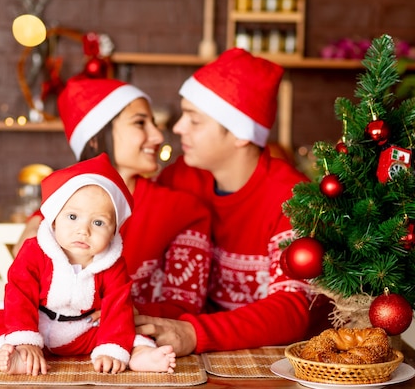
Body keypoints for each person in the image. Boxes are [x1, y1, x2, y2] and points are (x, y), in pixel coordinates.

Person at [135, 48, 322, 356]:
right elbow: (120, 202)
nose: (179, 127)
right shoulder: (183, 177)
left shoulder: (292, 197)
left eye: (194, 120)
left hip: (285, 362)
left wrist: (194, 332)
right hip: (209, 355)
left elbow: (292, 310)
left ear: (240, 134)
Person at [12, 77, 212, 320]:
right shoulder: (56, 212)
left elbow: (185, 306)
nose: (158, 136)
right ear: (95, 138)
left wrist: (122, 313)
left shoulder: (182, 211)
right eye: (140, 123)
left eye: (154, 123)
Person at [0, 154, 177, 375]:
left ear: (114, 232)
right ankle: (13, 356)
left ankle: (141, 354)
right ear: (54, 219)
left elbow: (117, 306)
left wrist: (112, 349)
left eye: (98, 222)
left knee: (127, 325)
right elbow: (19, 293)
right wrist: (26, 338)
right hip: (38, 321)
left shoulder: (112, 264)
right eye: (73, 217)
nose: (84, 230)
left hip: (82, 330)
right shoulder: (35, 250)